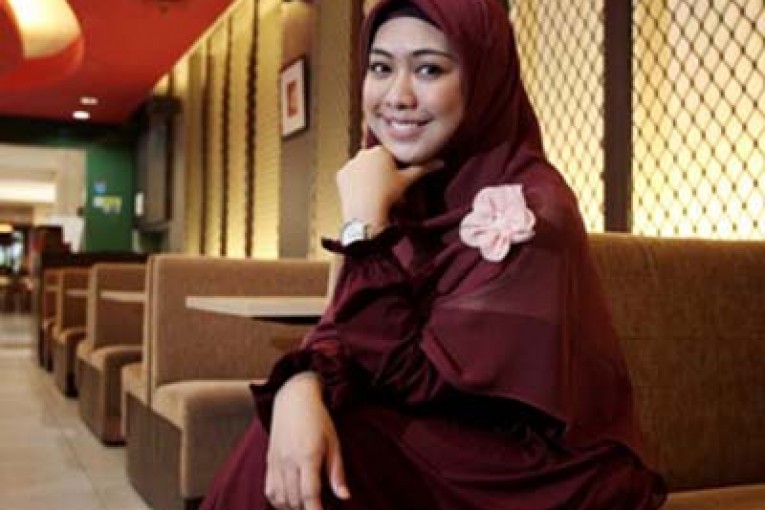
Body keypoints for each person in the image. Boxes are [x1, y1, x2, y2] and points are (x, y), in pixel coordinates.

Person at [201, 0, 667, 509]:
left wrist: (364, 228)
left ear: (483, 79)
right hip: (439, 440)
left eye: (429, 69)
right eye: (381, 68)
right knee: (297, 435)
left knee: (337, 447)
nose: (398, 96)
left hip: (536, 474)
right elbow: (340, 331)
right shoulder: (398, 193)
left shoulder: (532, 210)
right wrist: (301, 386)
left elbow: (422, 381)